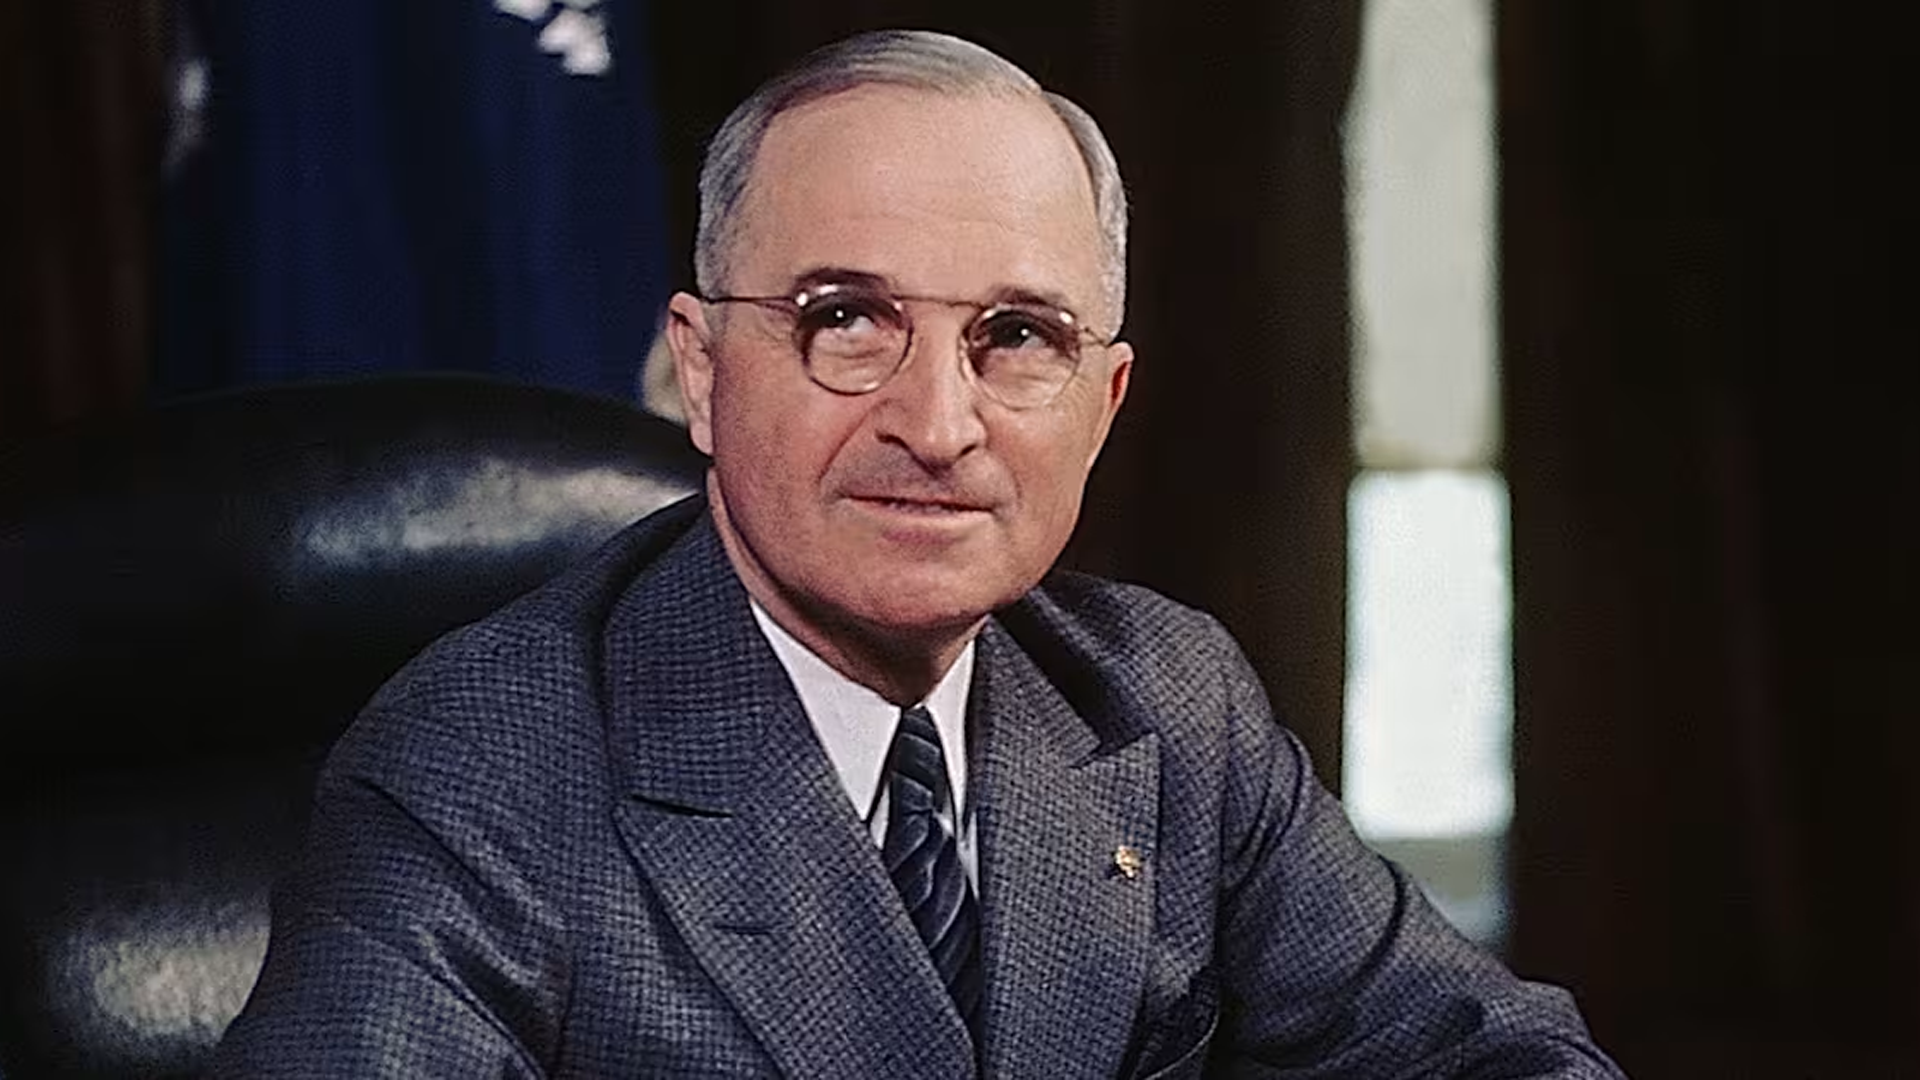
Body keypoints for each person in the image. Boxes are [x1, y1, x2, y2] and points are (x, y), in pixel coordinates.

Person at [212, 29, 1623, 1079]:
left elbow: (1503, 1062)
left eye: (1016, 339)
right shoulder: (484, 765)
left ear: (1103, 404)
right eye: (846, 320)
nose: (938, 425)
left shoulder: (1172, 707)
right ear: (702, 372)